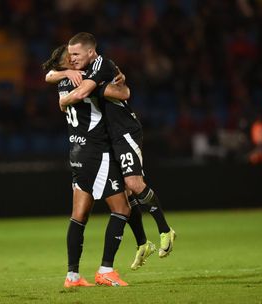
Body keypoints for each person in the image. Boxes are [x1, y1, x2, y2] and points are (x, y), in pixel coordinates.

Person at [50, 32, 176, 270]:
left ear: (90, 52)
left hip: (125, 131)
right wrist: (65, 73)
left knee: (134, 183)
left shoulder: (103, 66)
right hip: (109, 138)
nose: (73, 59)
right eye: (70, 56)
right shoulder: (81, 71)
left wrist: (64, 100)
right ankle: (141, 242)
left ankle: (165, 230)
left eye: (76, 54)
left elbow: (118, 93)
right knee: (125, 192)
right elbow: (49, 74)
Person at [42, 45, 131, 287]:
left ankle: (72, 276)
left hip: (76, 153)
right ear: (67, 64)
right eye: (71, 58)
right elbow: (123, 95)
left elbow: (50, 76)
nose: (75, 59)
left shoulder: (61, 81)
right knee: (122, 209)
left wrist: (60, 78)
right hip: (97, 151)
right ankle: (106, 270)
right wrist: (120, 84)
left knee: (79, 215)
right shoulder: (84, 80)